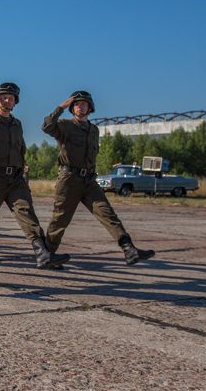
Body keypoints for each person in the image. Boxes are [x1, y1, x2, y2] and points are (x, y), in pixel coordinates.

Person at [0, 83, 70, 271]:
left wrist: (23, 166)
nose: (8, 100)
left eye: (11, 98)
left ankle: (42, 253)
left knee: (26, 212)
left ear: (15, 102)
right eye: (4, 97)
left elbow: (20, 147)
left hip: (15, 178)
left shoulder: (17, 123)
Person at [42, 91, 155, 265]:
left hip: (89, 181)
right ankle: (47, 255)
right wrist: (60, 108)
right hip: (69, 179)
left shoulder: (94, 130)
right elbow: (47, 127)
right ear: (72, 108)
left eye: (84, 104)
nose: (81, 107)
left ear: (90, 107)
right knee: (60, 219)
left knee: (107, 213)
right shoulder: (65, 125)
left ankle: (129, 249)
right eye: (77, 104)